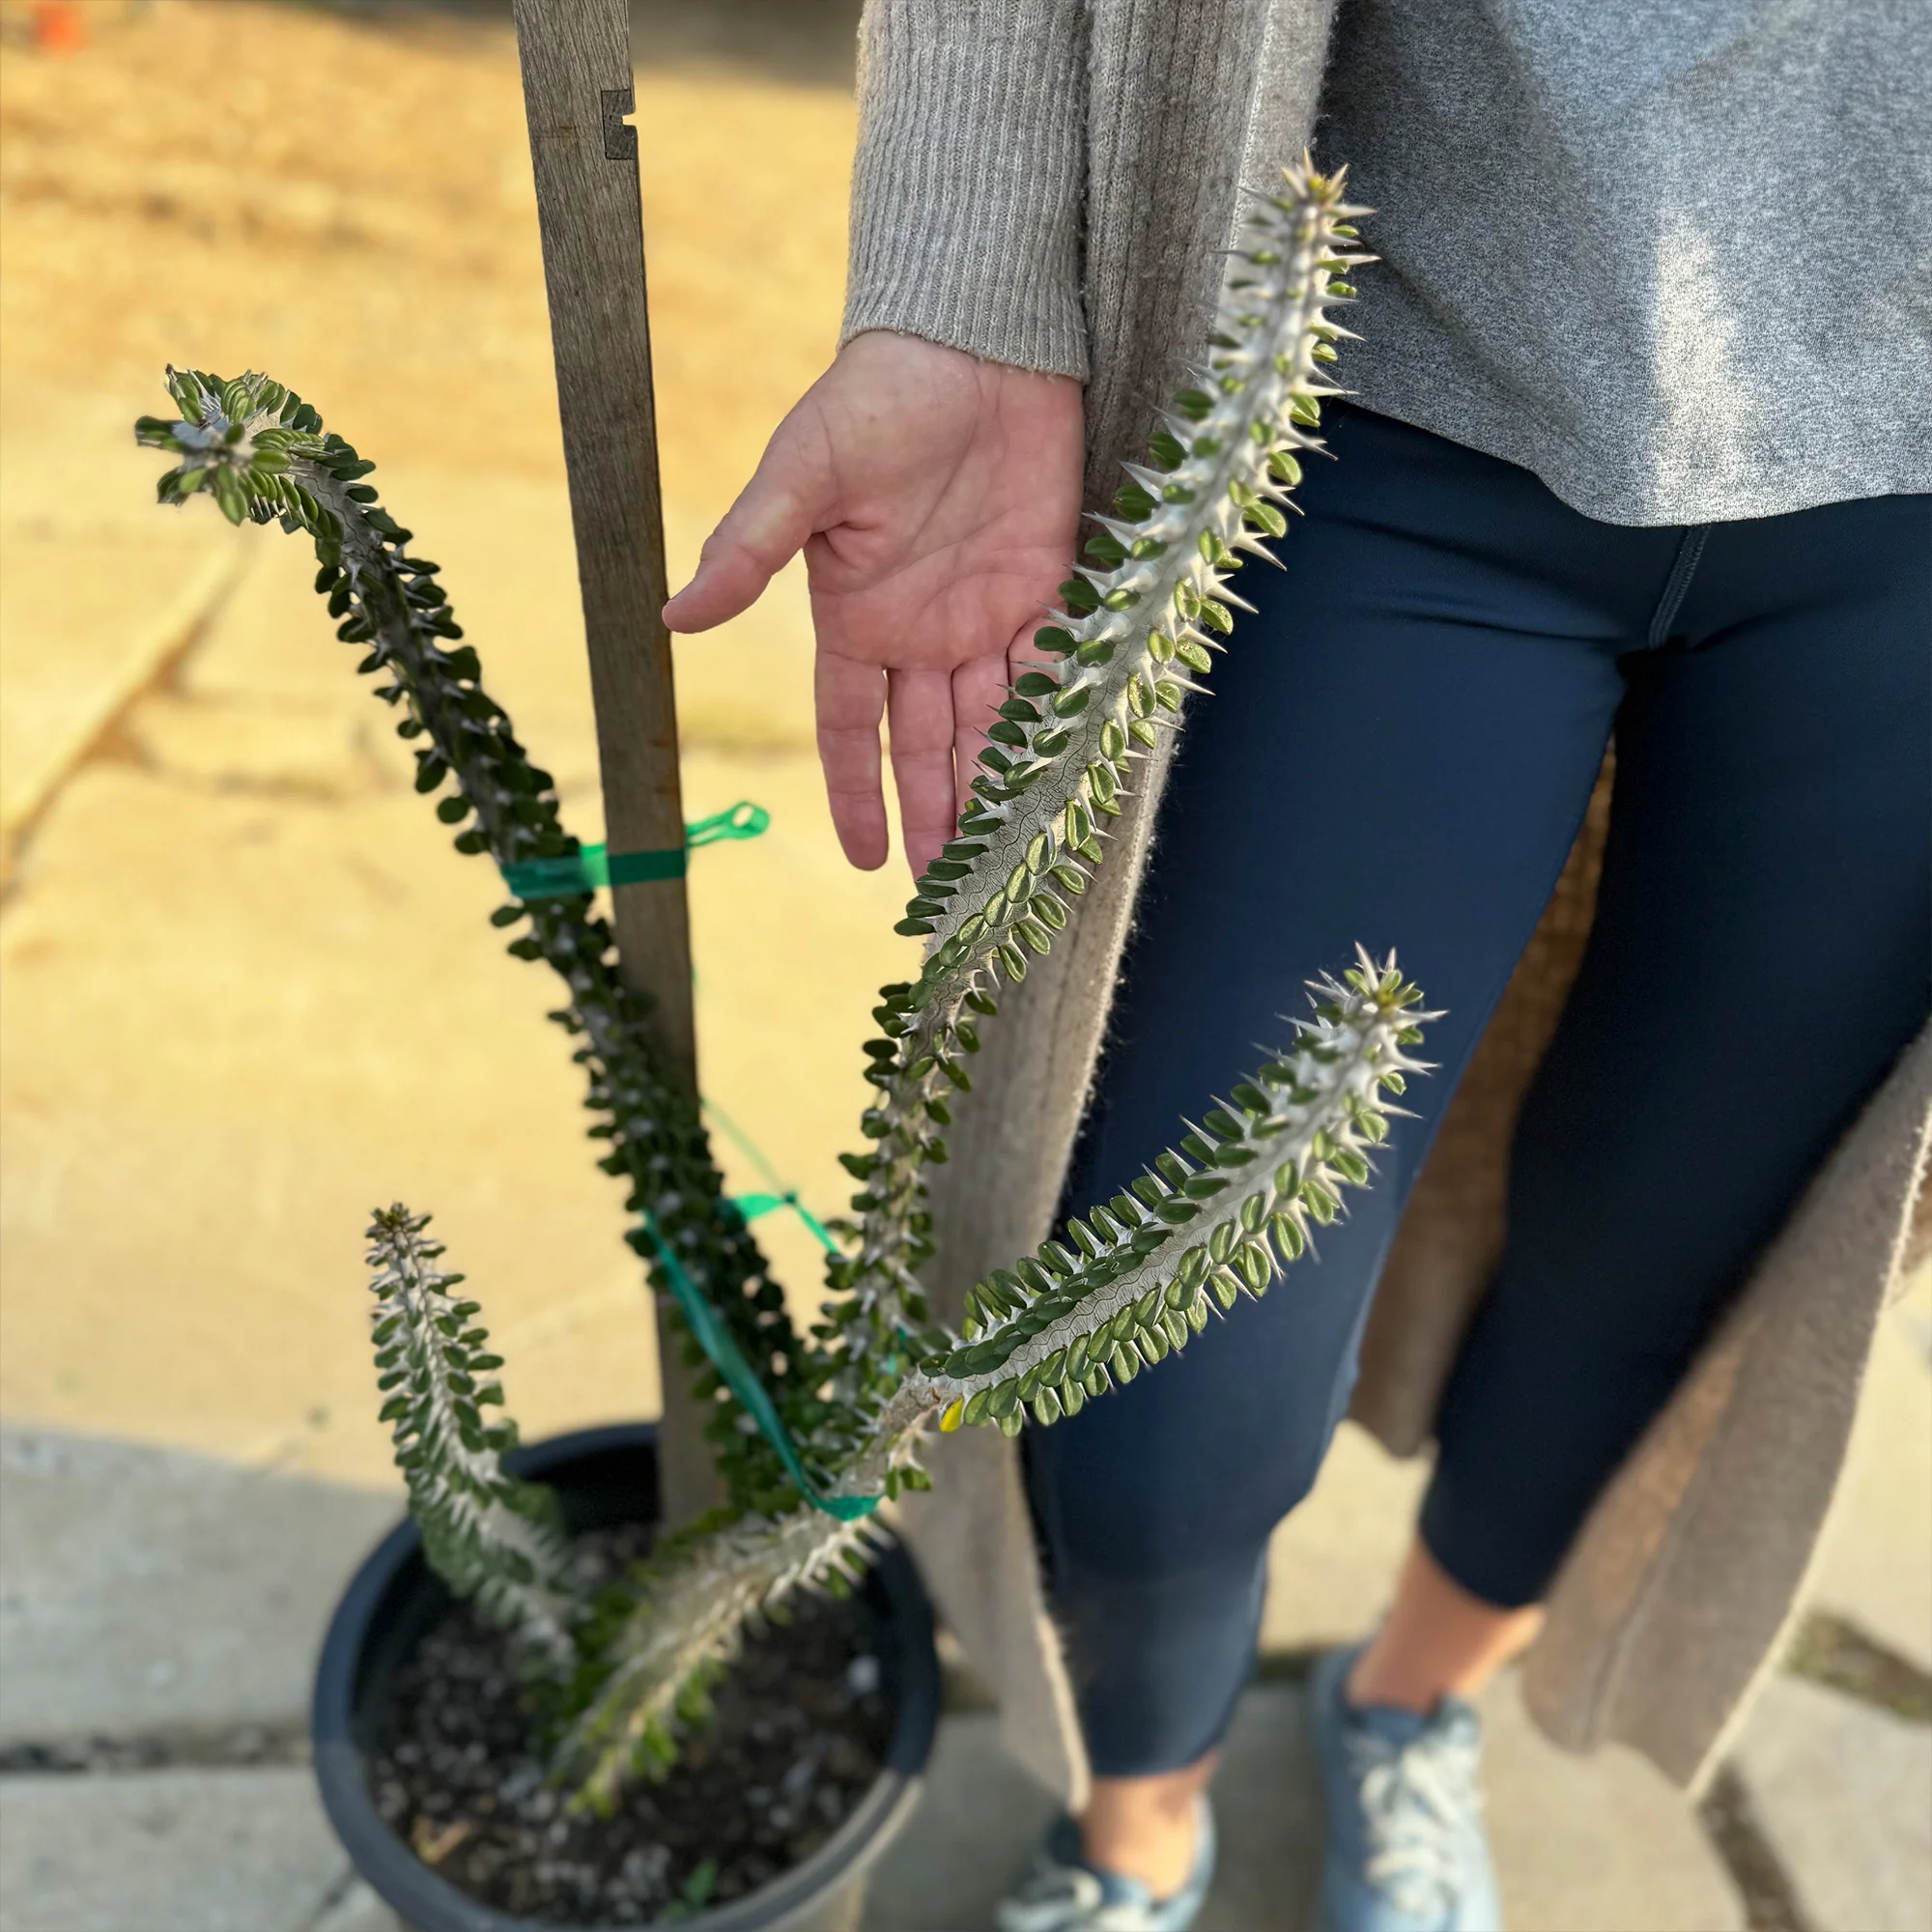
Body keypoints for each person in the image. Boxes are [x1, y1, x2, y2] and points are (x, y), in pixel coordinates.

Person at [666, 5, 1932, 1928]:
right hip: (1380, 382)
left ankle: (1406, 1707)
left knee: (1654, 1268)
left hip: (1901, 507)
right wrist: (956, 272)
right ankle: (1139, 1818)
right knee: (1156, 1343)